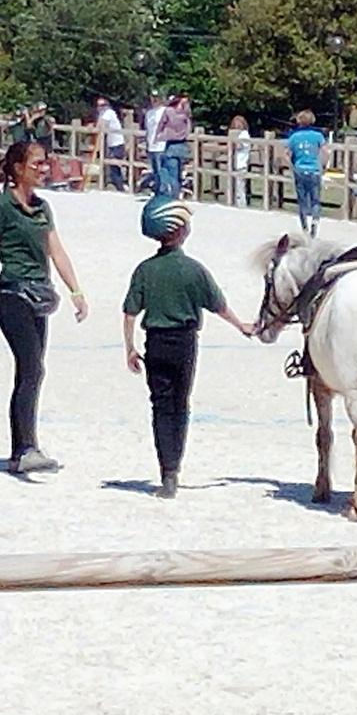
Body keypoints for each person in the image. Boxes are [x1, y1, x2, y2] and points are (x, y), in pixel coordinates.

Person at [122, 196, 254, 499]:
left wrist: (129, 348)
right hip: (184, 343)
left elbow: (130, 312)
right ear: (179, 230)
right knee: (181, 405)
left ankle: (164, 468)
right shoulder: (193, 269)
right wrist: (242, 326)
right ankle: (174, 471)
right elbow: (218, 306)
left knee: (160, 406)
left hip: (154, 342)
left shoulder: (145, 270)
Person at [0, 139, 89, 474]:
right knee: (31, 366)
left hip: (40, 295)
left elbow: (57, 250)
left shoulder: (43, 208)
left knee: (33, 370)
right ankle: (24, 449)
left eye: (44, 163)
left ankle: (24, 449)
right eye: (36, 163)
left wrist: (76, 291)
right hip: (12, 296)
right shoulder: (1, 208)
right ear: (18, 168)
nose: (43, 168)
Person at [284, 110, 327, 237]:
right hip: (314, 170)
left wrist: (292, 166)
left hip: (300, 169)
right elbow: (326, 152)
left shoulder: (294, 137)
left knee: (302, 200)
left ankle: (304, 227)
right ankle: (315, 220)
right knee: (315, 199)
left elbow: (287, 154)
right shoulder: (318, 136)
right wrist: (323, 166)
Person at [157, 94, 193, 199]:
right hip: (182, 144)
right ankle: (176, 193)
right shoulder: (186, 114)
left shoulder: (169, 111)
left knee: (170, 171)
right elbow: (189, 129)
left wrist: (158, 136)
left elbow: (161, 124)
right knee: (178, 172)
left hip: (171, 144)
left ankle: (172, 195)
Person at [93, 97, 127, 192]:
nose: (100, 107)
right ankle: (117, 186)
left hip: (117, 143)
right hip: (111, 144)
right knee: (112, 166)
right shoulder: (102, 114)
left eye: (103, 105)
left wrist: (94, 128)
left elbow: (101, 125)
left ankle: (120, 187)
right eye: (99, 105)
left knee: (114, 166)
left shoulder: (109, 113)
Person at [142, 90, 168, 193]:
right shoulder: (149, 113)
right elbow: (147, 130)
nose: (154, 100)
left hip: (162, 145)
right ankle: (158, 191)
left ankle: (164, 191)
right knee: (155, 171)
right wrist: (147, 145)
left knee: (162, 170)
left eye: (157, 98)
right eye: (153, 98)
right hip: (151, 145)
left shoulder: (165, 111)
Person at [228, 114, 251, 207]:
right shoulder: (233, 134)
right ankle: (234, 203)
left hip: (241, 164)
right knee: (234, 186)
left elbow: (240, 146)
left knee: (240, 187)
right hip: (234, 164)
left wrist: (233, 143)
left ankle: (242, 205)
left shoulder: (244, 134)